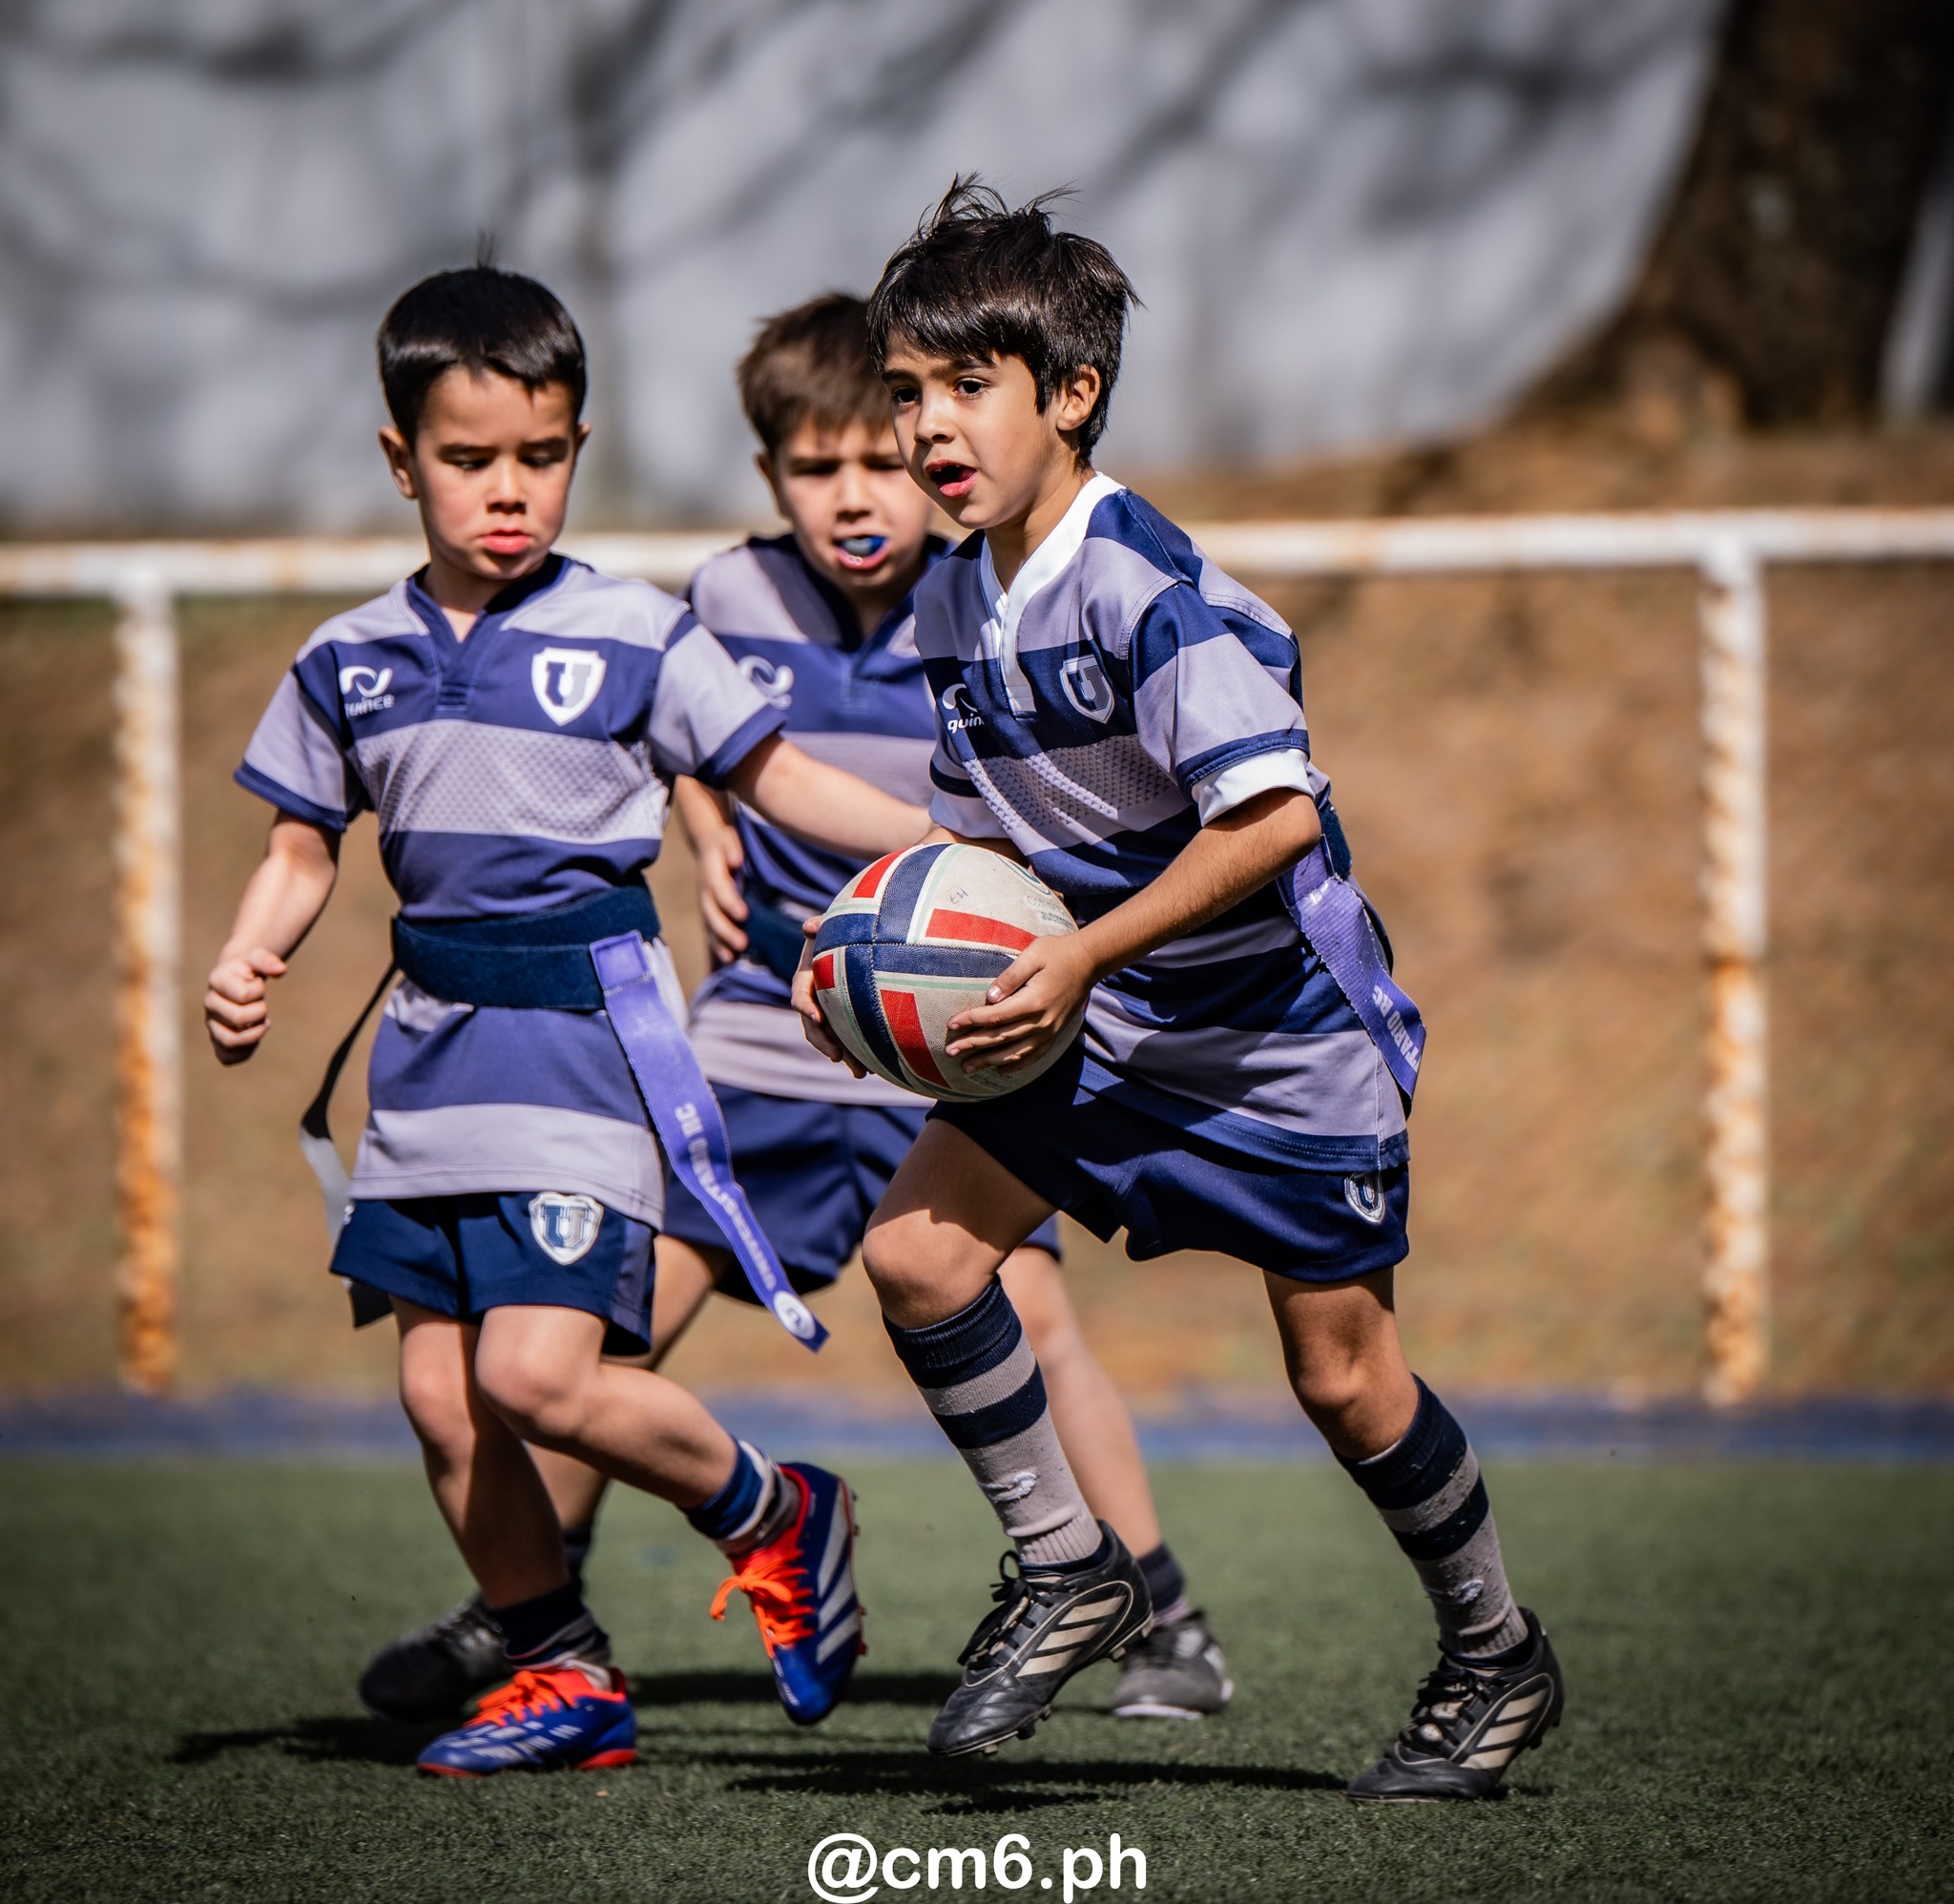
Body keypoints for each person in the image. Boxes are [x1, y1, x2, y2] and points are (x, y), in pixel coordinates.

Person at [358, 293, 1233, 1730]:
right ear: (771, 476)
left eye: (879, 464)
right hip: (757, 1042)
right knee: (596, 1333)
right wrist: (702, 834)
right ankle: (526, 1604)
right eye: (813, 473)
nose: (853, 500)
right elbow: (682, 731)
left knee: (1032, 1320)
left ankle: (1162, 1614)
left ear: (922, 450)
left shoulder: (987, 603)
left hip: (938, 1072)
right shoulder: (724, 600)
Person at [794, 181, 1566, 1795]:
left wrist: (1074, 952)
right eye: (910, 392)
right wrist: (856, 969)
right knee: (920, 1255)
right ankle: (1073, 1565)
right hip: (1107, 1016)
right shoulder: (955, 594)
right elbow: (970, 843)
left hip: (1278, 1038)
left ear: (1070, 397)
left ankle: (1496, 1656)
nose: (929, 429)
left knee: (1344, 1376)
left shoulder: (1137, 586)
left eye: (967, 390)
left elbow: (1277, 817)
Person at [204, 265, 928, 1776]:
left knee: (535, 1379)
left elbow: (776, 775)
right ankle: (565, 1672)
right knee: (441, 1399)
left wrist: (945, 855)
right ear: (404, 461)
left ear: (575, 448)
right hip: (424, 1062)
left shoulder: (635, 635)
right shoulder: (350, 657)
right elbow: (297, 847)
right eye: (470, 462)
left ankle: (778, 1512)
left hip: (583, 1051)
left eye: (540, 457)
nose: (507, 490)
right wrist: (249, 955)